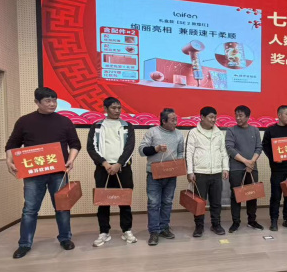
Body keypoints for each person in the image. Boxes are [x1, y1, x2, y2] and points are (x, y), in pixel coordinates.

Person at [5, 87, 81, 259]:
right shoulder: (25, 121)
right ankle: (24, 244)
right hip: (33, 173)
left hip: (59, 173)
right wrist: (9, 160)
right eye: (47, 101)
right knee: (30, 209)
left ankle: (65, 238)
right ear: (37, 102)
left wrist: (71, 159)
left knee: (62, 207)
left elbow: (75, 144)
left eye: (54, 100)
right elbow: (12, 144)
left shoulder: (64, 121)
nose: (52, 104)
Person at [87, 97, 137, 247]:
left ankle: (126, 230)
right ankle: (104, 232)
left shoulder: (127, 126)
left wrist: (119, 164)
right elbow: (91, 147)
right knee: (103, 202)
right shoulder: (97, 126)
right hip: (103, 169)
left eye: (119, 108)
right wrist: (105, 163)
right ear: (105, 109)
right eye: (113, 108)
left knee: (125, 202)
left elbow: (130, 147)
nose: (117, 111)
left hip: (123, 168)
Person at [139, 108, 186, 246]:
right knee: (153, 203)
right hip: (154, 174)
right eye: (172, 120)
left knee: (167, 202)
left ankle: (164, 227)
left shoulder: (179, 134)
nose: (175, 122)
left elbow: (181, 152)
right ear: (164, 121)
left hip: (171, 174)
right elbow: (141, 151)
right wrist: (156, 149)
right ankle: (154, 231)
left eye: (176, 119)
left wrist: (178, 164)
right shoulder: (152, 132)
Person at [186, 106, 229, 237]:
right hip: (200, 173)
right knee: (199, 202)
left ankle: (216, 224)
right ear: (202, 117)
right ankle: (199, 226)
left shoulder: (219, 133)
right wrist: (190, 171)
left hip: (216, 172)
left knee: (216, 202)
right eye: (210, 117)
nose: (213, 120)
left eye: (215, 117)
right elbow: (189, 153)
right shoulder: (194, 132)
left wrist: (225, 168)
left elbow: (223, 152)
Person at [262, 105, 287, 231]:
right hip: (277, 169)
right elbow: (265, 146)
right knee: (276, 196)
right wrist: (274, 157)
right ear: (279, 115)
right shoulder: (270, 130)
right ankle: (274, 220)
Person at [226, 105, 264, 233]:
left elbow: (259, 147)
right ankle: (236, 222)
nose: (238, 118)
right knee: (236, 196)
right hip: (236, 169)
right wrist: (246, 162)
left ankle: (252, 221)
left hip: (252, 168)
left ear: (248, 117)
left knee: (252, 195)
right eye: (236, 115)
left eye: (241, 115)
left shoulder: (255, 130)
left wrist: (251, 162)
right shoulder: (231, 130)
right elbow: (230, 148)